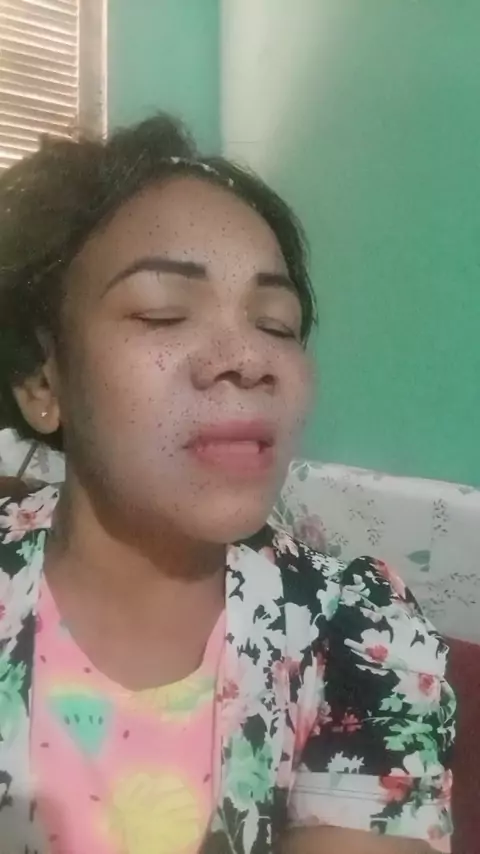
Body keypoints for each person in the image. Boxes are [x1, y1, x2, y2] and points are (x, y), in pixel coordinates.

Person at [0, 115, 454, 854]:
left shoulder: (359, 634)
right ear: (43, 381)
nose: (249, 358)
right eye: (163, 312)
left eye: (277, 324)